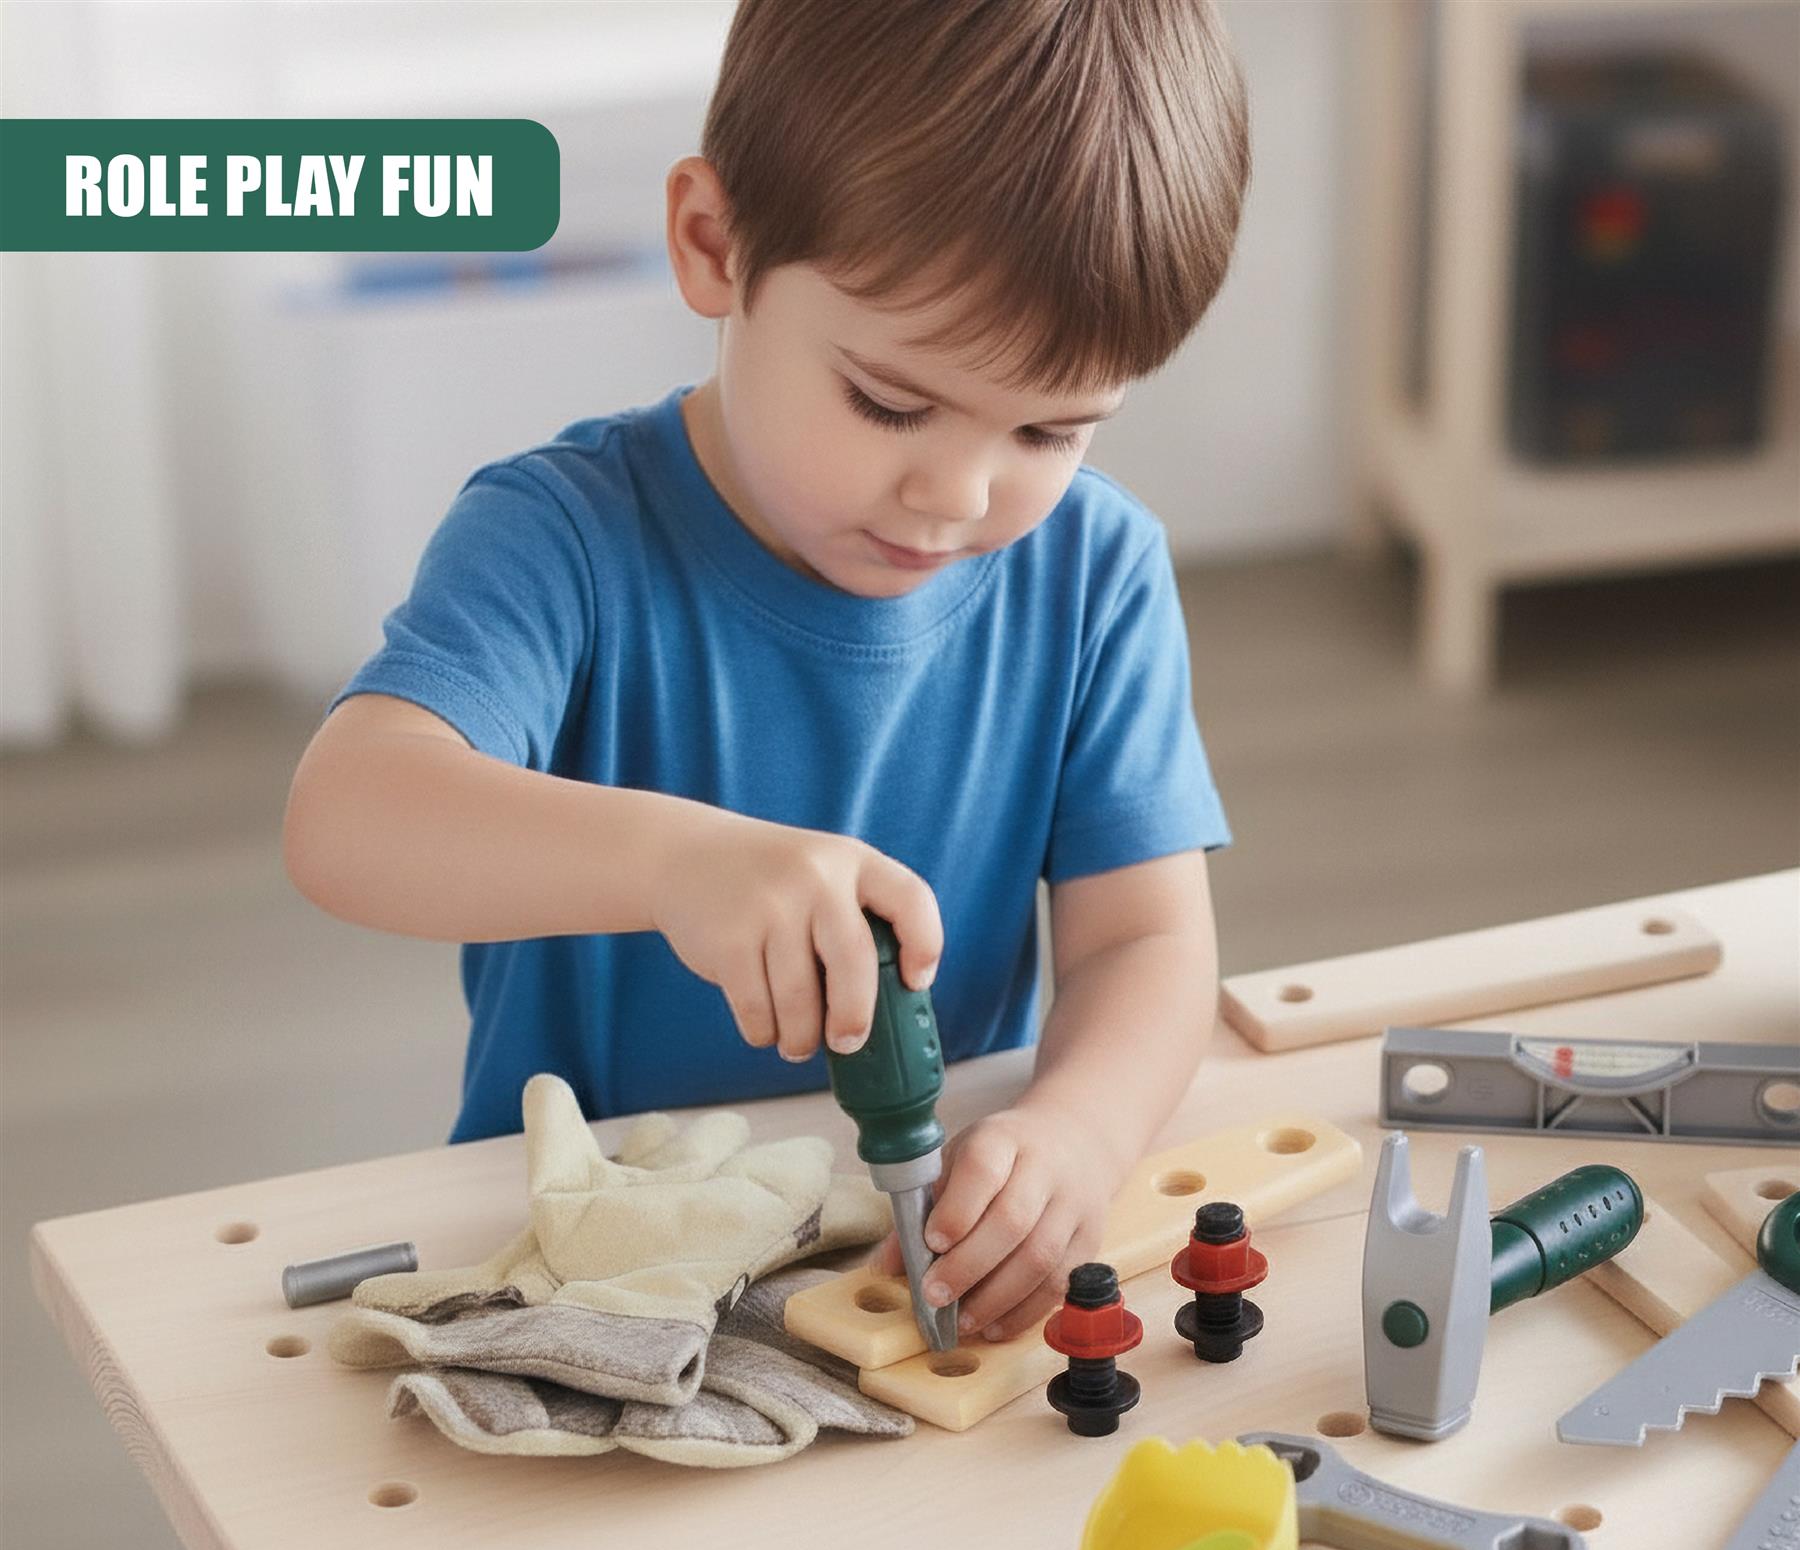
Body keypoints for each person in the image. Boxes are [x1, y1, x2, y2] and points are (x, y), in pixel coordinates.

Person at [284, 0, 1250, 1343]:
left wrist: (1080, 1131)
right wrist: (676, 864)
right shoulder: (558, 536)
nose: (958, 494)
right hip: (586, 1271)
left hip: (906, 1253)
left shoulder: (1097, 571)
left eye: (1049, 430)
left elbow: (1146, 943)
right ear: (712, 243)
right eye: (891, 402)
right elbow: (346, 819)